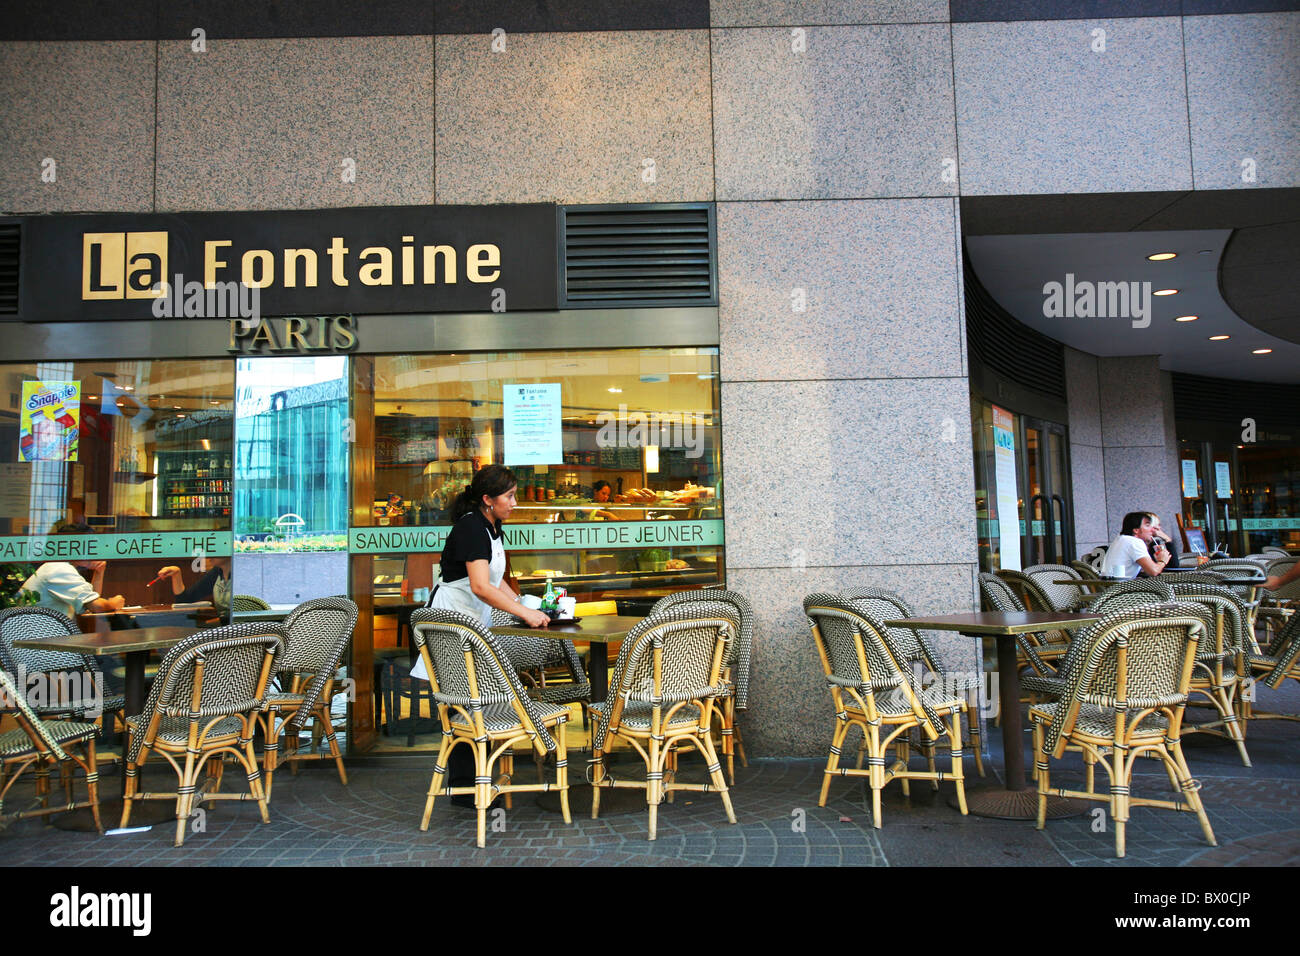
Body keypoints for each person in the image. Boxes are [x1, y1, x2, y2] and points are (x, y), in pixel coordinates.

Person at [411, 464, 548, 808]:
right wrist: (524, 613)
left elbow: (494, 579)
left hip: (472, 622)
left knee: (475, 700)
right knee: (466, 700)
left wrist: (522, 603)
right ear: (487, 499)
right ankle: (468, 789)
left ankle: (477, 787)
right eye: (510, 496)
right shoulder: (471, 528)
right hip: (453, 622)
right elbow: (479, 586)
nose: (515, 502)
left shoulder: (491, 526)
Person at [21, 523, 126, 617]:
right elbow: (96, 606)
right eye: (89, 545)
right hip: (40, 635)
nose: (93, 550)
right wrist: (113, 603)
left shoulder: (56, 565)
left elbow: (90, 600)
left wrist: (99, 571)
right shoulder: (59, 569)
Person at [1100, 512, 1171, 579]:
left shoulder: (1120, 539)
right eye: (1147, 525)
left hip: (1110, 587)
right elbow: (1154, 571)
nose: (1152, 530)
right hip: (1122, 589)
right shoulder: (1134, 542)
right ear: (1136, 530)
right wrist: (1162, 560)